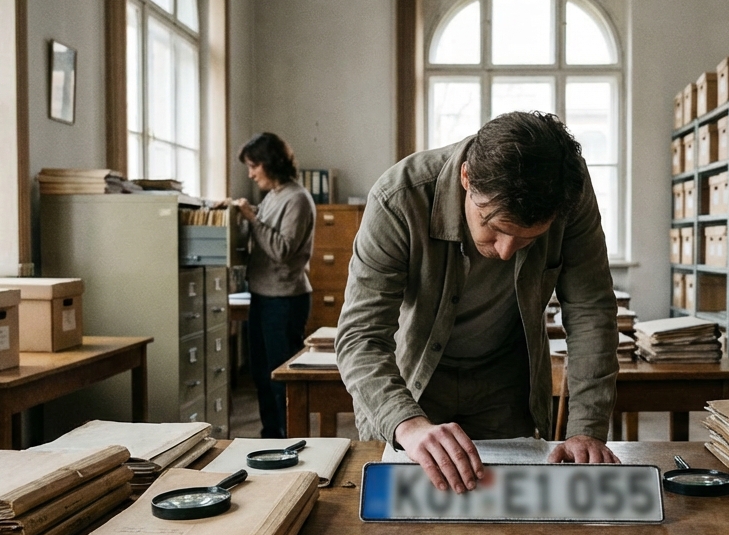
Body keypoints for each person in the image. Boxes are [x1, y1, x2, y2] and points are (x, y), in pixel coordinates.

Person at [336, 111, 619, 494]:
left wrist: (586, 431)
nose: (505, 252)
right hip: (412, 385)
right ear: (466, 178)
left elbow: (591, 312)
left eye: (527, 240)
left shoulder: (570, 193)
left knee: (508, 518)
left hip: (504, 386)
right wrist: (408, 425)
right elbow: (360, 337)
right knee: (404, 527)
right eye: (496, 228)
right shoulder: (398, 198)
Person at [236, 132, 316, 438]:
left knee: (280, 376)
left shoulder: (297, 198)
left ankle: (290, 439)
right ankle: (272, 435)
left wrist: (252, 220)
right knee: (260, 372)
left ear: (269, 163)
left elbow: (282, 249)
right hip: (263, 295)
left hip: (284, 300)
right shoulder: (273, 196)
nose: (251, 173)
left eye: (254, 166)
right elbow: (267, 228)